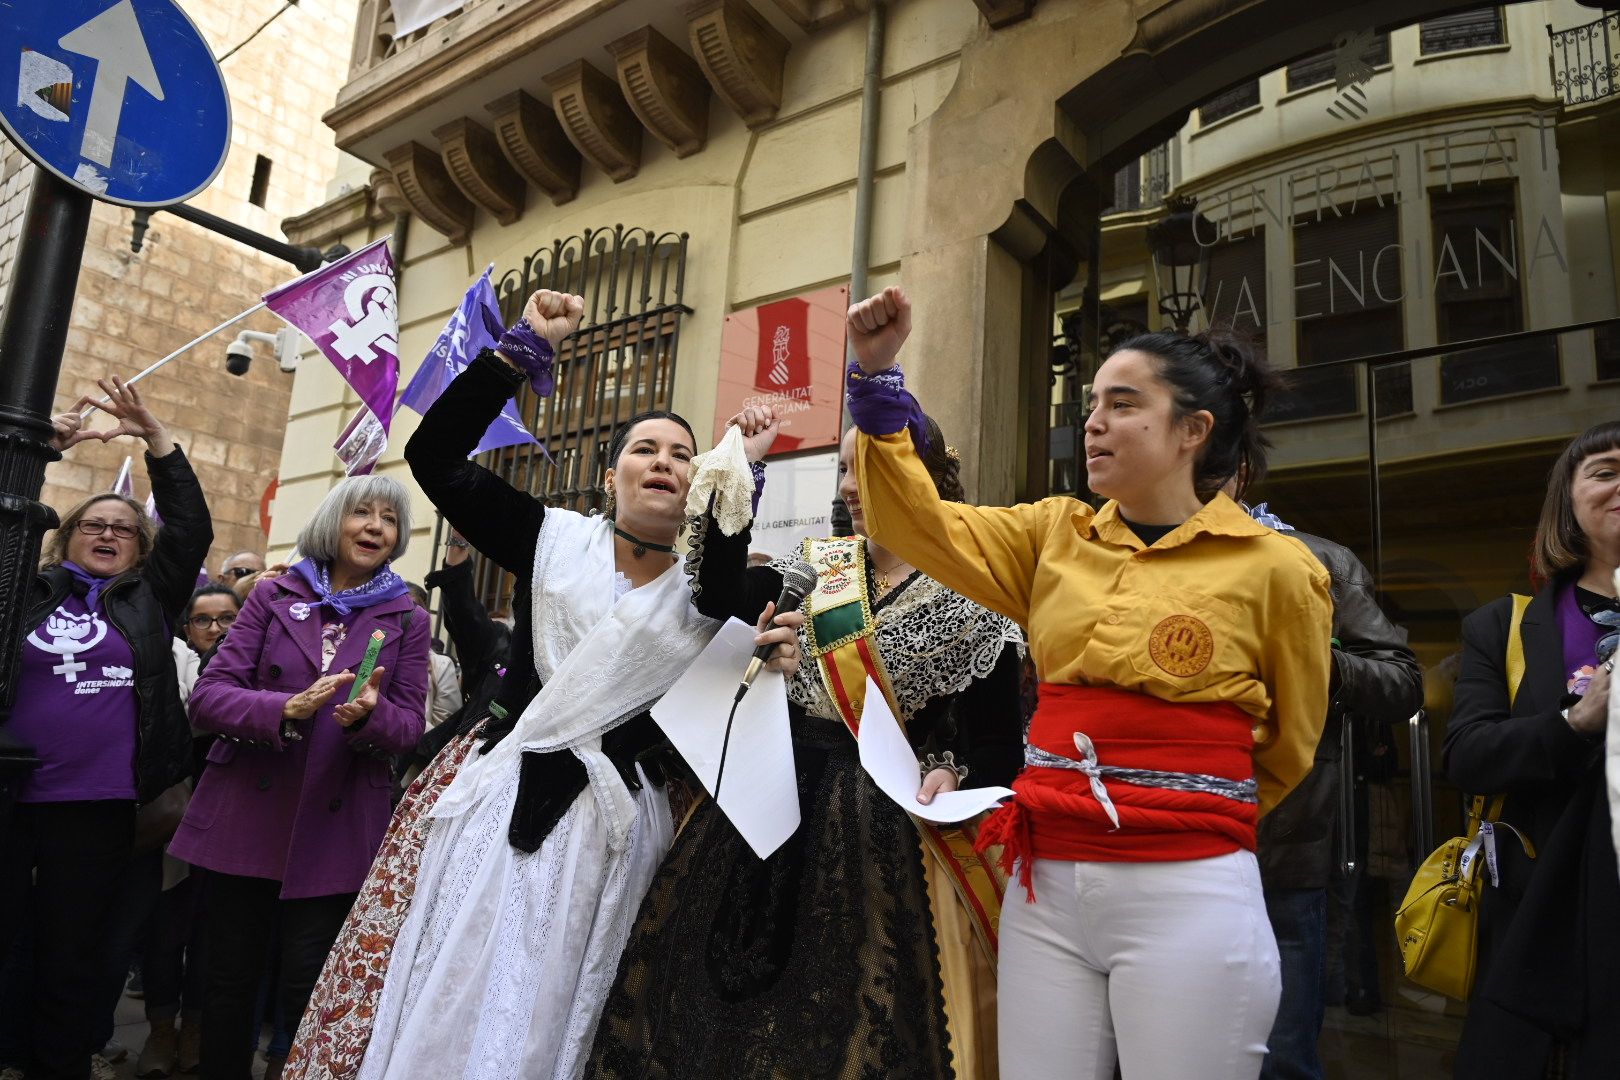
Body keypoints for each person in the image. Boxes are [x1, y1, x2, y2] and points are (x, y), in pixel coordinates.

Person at [283, 289, 802, 1080]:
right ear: (609, 474)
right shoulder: (549, 537)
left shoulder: (716, 590)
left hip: (614, 829)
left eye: (681, 455)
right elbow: (435, 461)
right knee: (453, 985)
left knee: (560, 1009)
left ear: (700, 486)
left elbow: (729, 588)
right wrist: (520, 349)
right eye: (644, 449)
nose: (662, 460)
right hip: (495, 807)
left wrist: (744, 467)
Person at [842, 287, 1333, 1080]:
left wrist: (1174, 814)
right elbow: (914, 524)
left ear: (1193, 431)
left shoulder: (1279, 569)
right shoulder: (1051, 535)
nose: (1094, 421)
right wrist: (876, 378)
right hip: (1047, 892)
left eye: (1124, 403)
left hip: (1192, 891)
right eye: (1093, 402)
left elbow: (1288, 746)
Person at [588, 406, 1026, 1078]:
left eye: (869, 466)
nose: (850, 484)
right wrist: (746, 464)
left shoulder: (972, 594)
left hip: (886, 828)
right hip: (762, 806)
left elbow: (999, 745)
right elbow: (715, 593)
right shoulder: (813, 568)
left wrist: (957, 777)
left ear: (923, 475)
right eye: (845, 467)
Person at [167, 475, 430, 1080]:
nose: (374, 527)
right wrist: (282, 709)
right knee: (228, 977)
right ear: (331, 522)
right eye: (361, 513)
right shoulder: (273, 596)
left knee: (311, 984)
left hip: (336, 824)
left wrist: (371, 715)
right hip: (248, 815)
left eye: (388, 520)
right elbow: (208, 698)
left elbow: (410, 726)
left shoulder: (407, 618)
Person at [0, 378, 212, 1080]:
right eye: (94, 524)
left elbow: (190, 528)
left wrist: (155, 437)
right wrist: (41, 455)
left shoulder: (149, 601)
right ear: (67, 537)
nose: (109, 533)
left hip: (96, 808)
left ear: (139, 552)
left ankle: (54, 1065)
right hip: (9, 796)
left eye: (124, 528)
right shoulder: (21, 589)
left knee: (72, 950)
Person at [1446, 420, 1620, 1079]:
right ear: (1568, 504)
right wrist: (1579, 720)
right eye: (1603, 471)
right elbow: (1466, 755)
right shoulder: (1505, 624)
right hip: (1543, 915)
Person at [1231, 493, 1423, 1080]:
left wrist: (1316, 661)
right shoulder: (1129, 557)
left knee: (1280, 1058)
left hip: (1283, 855)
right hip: (1155, 845)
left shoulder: (1318, 563)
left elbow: (1401, 682)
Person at [403, 582, 462, 729]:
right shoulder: (371, 654)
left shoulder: (441, 665)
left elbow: (443, 729)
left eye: (410, 611)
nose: (402, 619)